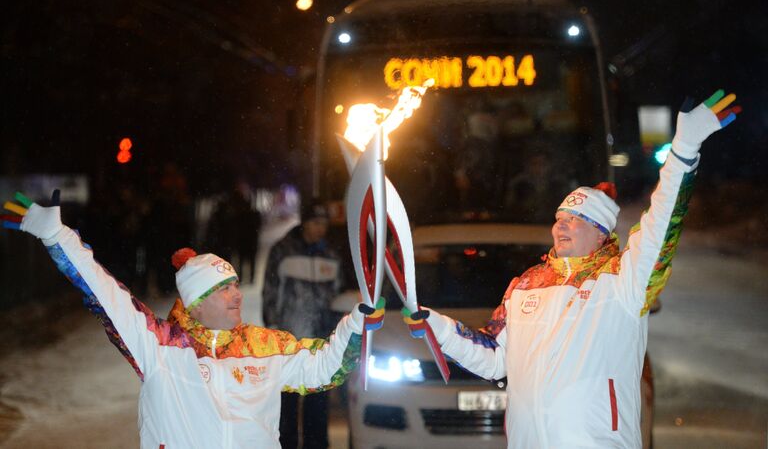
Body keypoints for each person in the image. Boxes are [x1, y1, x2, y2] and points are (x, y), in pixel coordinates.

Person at [402, 90, 741, 448]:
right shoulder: (526, 286)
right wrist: (433, 323)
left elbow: (660, 227)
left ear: (600, 232)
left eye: (575, 220)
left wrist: (683, 152)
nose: (560, 226)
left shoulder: (622, 280)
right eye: (559, 218)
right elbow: (494, 358)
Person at [1, 191, 381, 448]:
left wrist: (356, 325)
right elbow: (106, 295)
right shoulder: (161, 346)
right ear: (196, 303)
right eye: (223, 289)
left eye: (235, 285)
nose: (236, 295)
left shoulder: (264, 346)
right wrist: (58, 236)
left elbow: (324, 369)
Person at [262, 200, 343, 449]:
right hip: (289, 343)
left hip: (320, 342)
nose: (321, 229)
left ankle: (316, 445)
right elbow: (270, 292)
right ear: (305, 222)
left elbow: (338, 294)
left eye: (324, 224)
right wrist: (273, 327)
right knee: (287, 402)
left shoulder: (330, 254)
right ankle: (285, 445)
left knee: (317, 401)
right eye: (316, 223)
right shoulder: (283, 250)